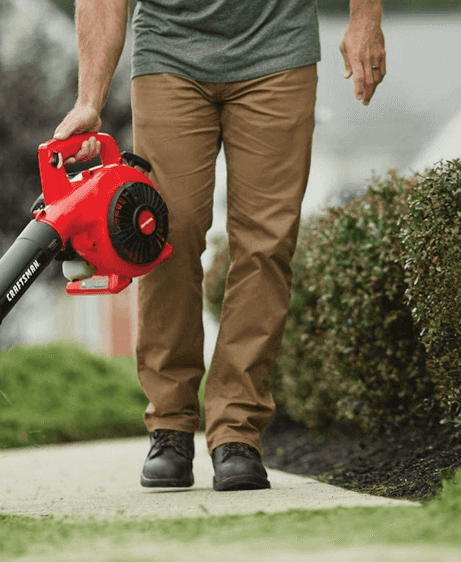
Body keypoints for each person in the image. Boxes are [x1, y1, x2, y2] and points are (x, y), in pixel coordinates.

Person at [54, 0, 386, 491]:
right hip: (170, 50)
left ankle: (237, 430)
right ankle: (170, 425)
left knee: (266, 244)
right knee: (161, 233)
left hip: (278, 47)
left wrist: (365, 18)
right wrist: (89, 99)